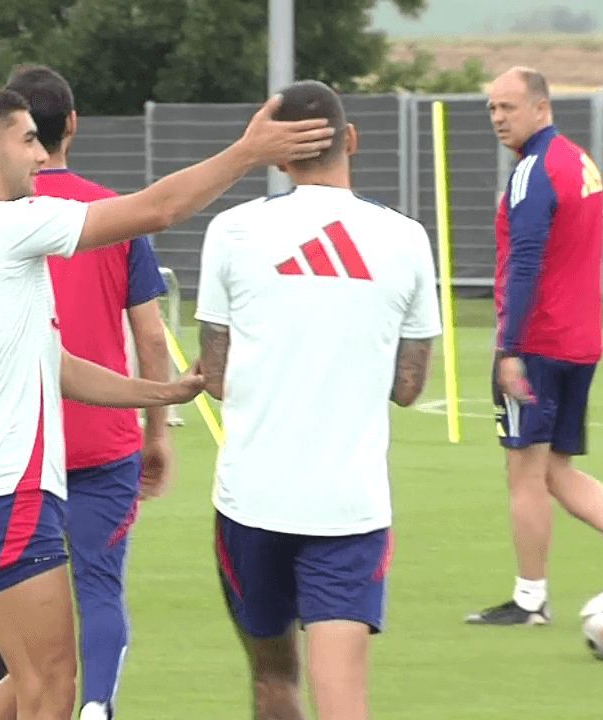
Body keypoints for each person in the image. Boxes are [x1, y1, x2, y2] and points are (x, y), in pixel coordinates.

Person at [0, 87, 333, 720]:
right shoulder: (5, 226)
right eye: (27, 139)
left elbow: (52, 366)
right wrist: (250, 152)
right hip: (9, 496)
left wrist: (160, 394)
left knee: (27, 685)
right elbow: (159, 210)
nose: (40, 154)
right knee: (50, 690)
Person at [194, 80, 440, 720]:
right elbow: (410, 388)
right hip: (349, 508)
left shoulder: (231, 230)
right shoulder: (407, 238)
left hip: (253, 499)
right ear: (350, 140)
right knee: (343, 702)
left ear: (278, 156)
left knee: (274, 682)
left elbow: (214, 377)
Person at [0, 64, 173, 720]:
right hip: (102, 439)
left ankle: (20, 700)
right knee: (99, 585)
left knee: (10, 595)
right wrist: (158, 433)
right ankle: (96, 707)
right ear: (73, 125)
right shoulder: (109, 214)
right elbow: (150, 335)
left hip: (17, 439)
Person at [466, 67, 603, 626]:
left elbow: (527, 259)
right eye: (492, 109)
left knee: (523, 473)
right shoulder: (580, 162)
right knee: (555, 469)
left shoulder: (533, 170)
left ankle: (530, 599)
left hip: (536, 343)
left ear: (541, 107)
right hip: (580, 340)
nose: (499, 119)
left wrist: (509, 348)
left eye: (508, 107)